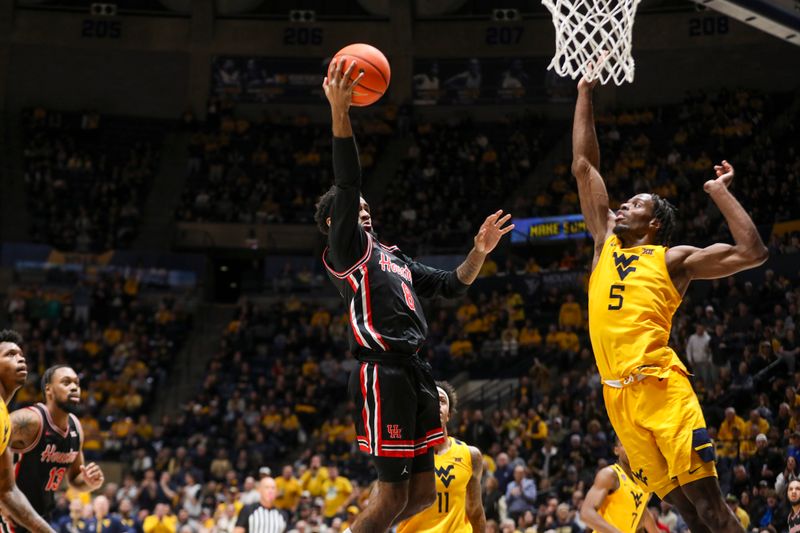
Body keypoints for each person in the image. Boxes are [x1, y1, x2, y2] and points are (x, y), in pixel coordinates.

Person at [315, 59, 512, 533]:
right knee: (389, 498)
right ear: (333, 223)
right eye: (352, 210)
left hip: (418, 371)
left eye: (365, 209)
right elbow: (348, 182)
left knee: (421, 494)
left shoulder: (394, 258)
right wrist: (341, 113)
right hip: (383, 371)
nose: (362, 211)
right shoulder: (347, 250)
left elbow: (451, 284)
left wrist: (478, 251)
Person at [572, 69, 768, 532]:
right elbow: (585, 165)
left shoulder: (672, 259)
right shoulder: (605, 243)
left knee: (710, 505)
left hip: (661, 388)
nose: (622, 206)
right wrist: (583, 92)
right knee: (682, 509)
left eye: (635, 204)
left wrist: (719, 193)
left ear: (654, 222)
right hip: (617, 398)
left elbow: (752, 253)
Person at [6, 365, 104, 532]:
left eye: (76, 383)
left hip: (41, 518)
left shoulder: (76, 427)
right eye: (66, 383)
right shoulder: (29, 420)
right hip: (11, 518)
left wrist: (89, 483)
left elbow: (74, 479)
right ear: (49, 390)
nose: (74, 387)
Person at [397, 381, 485, 533]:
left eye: (442, 401)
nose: (436, 404)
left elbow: (475, 511)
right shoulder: (404, 455)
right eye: (430, 400)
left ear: (449, 414)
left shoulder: (471, 455)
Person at [0, 330, 56, 533]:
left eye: (21, 355)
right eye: (10, 354)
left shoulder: (4, 417)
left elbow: (7, 491)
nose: (20, 359)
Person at [581, 437, 659, 532]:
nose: (630, 448)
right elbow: (586, 514)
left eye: (633, 444)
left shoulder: (645, 485)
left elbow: (642, 514)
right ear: (616, 450)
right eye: (625, 444)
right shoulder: (610, 475)